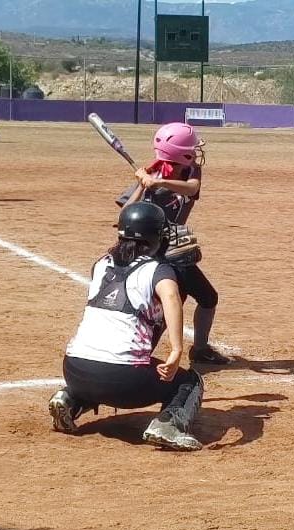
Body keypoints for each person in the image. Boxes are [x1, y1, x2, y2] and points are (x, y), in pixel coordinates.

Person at [48, 202, 205, 451]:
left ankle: (70, 398)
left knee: (99, 368)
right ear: (155, 237)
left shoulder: (101, 264)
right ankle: (168, 426)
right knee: (190, 382)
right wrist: (176, 350)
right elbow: (172, 298)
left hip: (74, 370)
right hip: (123, 381)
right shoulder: (158, 270)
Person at [118, 122, 231, 367]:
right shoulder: (151, 172)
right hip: (154, 251)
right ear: (181, 153)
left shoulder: (191, 172)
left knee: (201, 297)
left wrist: (158, 183)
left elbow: (192, 189)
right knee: (170, 304)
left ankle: (197, 349)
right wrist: (141, 184)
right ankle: (145, 353)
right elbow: (125, 216)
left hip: (177, 245)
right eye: (192, 148)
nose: (196, 152)